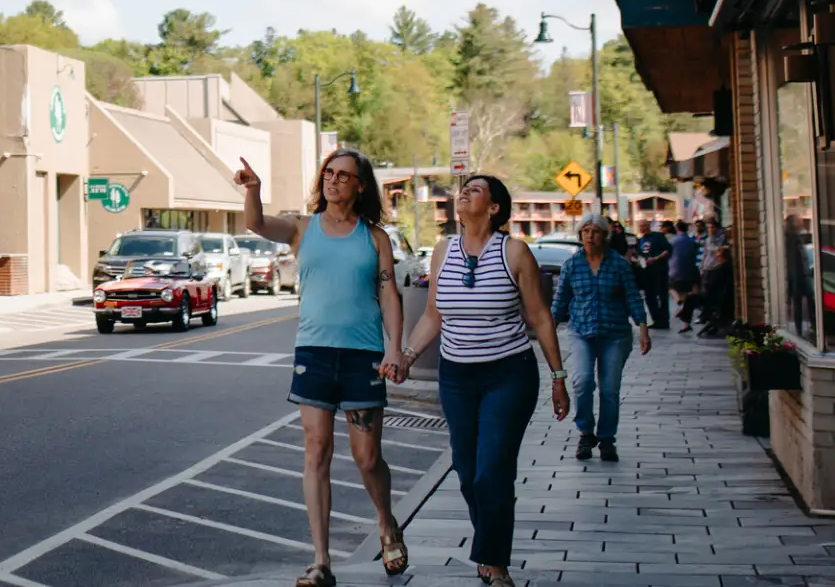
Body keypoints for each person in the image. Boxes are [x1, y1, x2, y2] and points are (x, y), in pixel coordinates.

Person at [235, 149, 408, 587]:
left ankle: (387, 523)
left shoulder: (374, 238)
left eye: (343, 176)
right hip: (313, 352)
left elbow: (389, 294)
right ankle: (321, 561)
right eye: (328, 173)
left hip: (362, 355)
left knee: (367, 459)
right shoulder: (302, 228)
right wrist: (253, 191)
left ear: (360, 185)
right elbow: (256, 223)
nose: (333, 181)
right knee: (316, 451)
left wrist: (396, 349)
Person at [395, 176, 568, 587]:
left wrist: (559, 377)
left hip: (508, 374)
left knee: (493, 470)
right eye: (463, 189)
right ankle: (489, 547)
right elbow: (433, 315)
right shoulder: (443, 251)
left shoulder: (515, 253)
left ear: (494, 208)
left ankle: (494, 562)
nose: (465, 193)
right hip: (456, 377)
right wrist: (406, 356)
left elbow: (540, 318)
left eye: (476, 190)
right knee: (469, 469)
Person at [551, 216, 652, 462]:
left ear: (604, 235)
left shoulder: (619, 264)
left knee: (609, 390)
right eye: (585, 231)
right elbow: (560, 300)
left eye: (595, 231)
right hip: (581, 333)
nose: (590, 236)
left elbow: (632, 297)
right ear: (579, 235)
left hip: (614, 334)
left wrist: (643, 328)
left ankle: (607, 438)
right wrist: (548, 329)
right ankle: (586, 432)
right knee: (582, 382)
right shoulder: (572, 265)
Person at [632, 221, 672, 329]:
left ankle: (664, 320)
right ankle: (656, 319)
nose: (642, 228)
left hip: (659, 271)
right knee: (649, 297)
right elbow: (639, 254)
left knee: (661, 295)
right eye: (640, 226)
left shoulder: (658, 236)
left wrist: (655, 259)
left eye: (644, 226)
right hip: (646, 271)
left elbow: (667, 250)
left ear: (649, 226)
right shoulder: (640, 240)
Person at [667, 222, 701, 333]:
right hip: (690, 271)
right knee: (688, 296)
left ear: (677, 228)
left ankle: (679, 302)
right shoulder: (692, 241)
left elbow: (667, 254)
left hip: (675, 271)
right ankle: (686, 324)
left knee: (670, 287)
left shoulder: (672, 241)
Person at [696, 247, 735, 337]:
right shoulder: (721, 267)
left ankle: (705, 319)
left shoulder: (723, 268)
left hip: (719, 296)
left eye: (719, 256)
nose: (717, 258)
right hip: (717, 294)